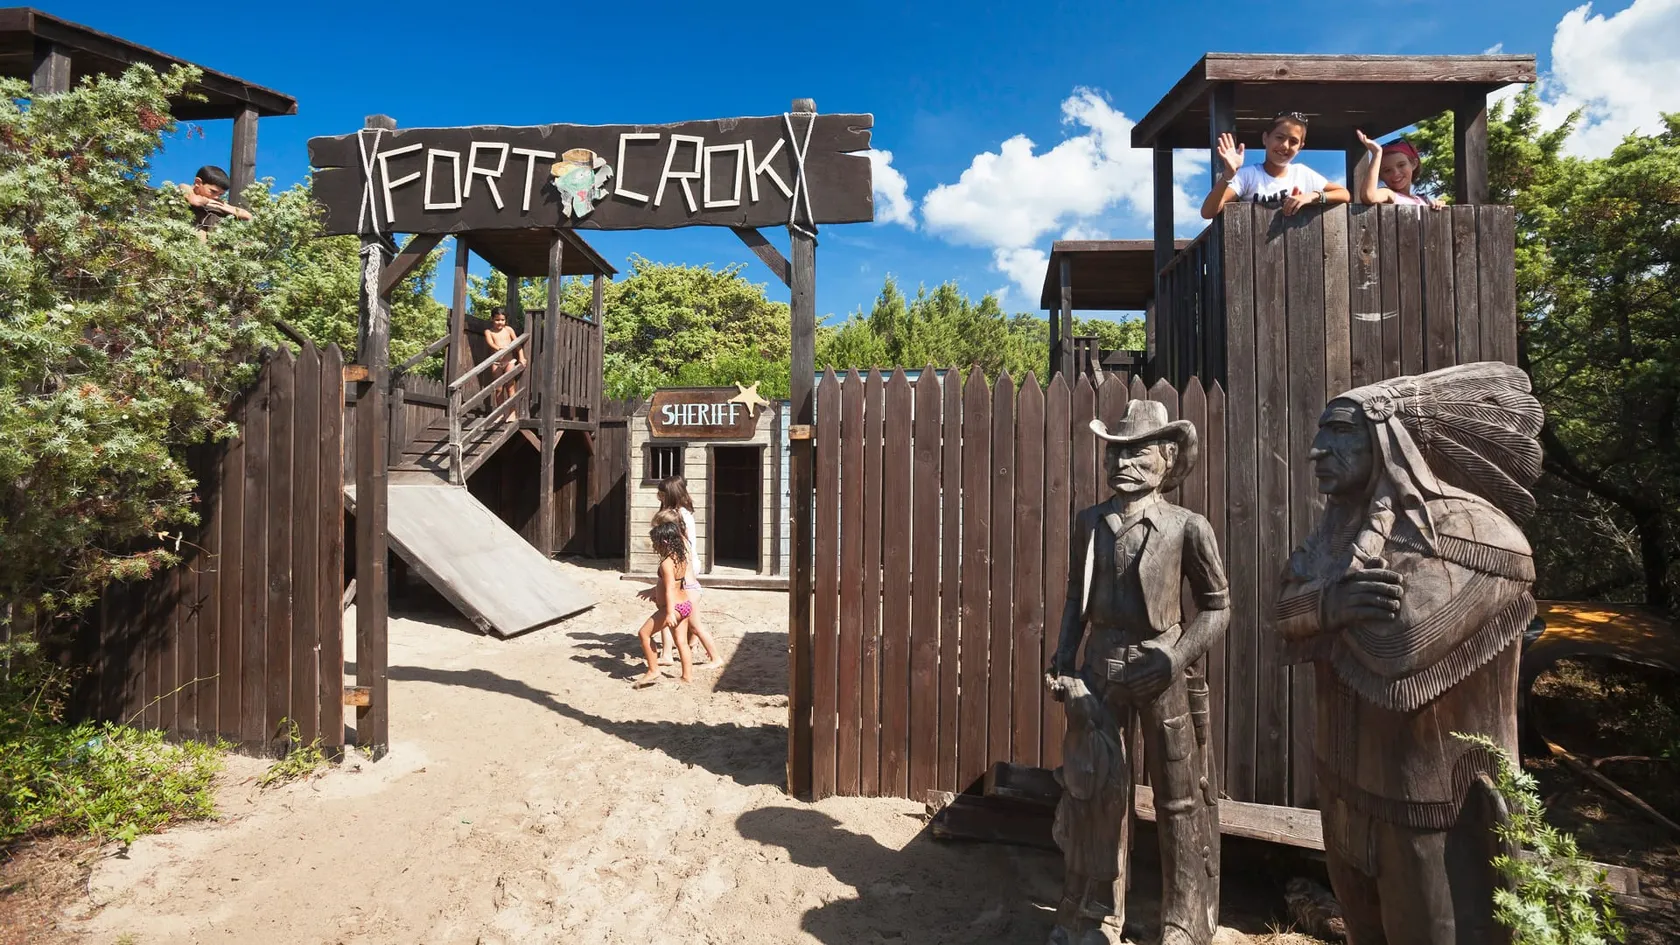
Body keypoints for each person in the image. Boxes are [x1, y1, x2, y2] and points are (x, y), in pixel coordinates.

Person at [1275, 363, 1543, 943]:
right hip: (1345, 779)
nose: (1317, 450)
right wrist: (1331, 607)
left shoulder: (1477, 532)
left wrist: (1320, 609)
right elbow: (1283, 616)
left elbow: (1400, 648)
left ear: (1389, 437)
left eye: (1339, 431)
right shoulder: (1335, 533)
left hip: (1431, 798)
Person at [1045, 399, 1230, 945]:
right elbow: (1076, 600)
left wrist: (1175, 657)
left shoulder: (1187, 527)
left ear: (1168, 457)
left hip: (1161, 673)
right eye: (1115, 452)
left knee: (1179, 798)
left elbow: (1218, 607)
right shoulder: (1090, 523)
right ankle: (1096, 911)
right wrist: (1063, 659)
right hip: (1100, 671)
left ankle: (1184, 919)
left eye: (1137, 452)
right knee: (1097, 792)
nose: (1122, 462)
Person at [1201, 112, 1351, 220]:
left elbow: (1344, 194)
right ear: (1265, 138)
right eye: (1279, 137)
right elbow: (1207, 212)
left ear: (1300, 147)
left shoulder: (1302, 173)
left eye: (1293, 141)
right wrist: (1228, 175)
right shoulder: (1248, 176)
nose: (1285, 145)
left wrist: (1313, 196)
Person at [644, 476, 718, 667]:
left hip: (686, 570)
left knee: (680, 614)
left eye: (661, 493)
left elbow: (687, 549)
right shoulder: (674, 514)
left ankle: (706, 653)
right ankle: (669, 653)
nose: (658, 495)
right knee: (669, 609)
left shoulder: (681, 517)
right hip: (683, 568)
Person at [634, 520, 695, 687]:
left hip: (673, 608)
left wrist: (669, 613)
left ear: (665, 542)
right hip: (685, 604)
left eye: (656, 543)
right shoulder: (680, 558)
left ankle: (653, 670)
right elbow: (674, 584)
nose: (654, 546)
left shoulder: (666, 563)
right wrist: (653, 592)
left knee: (644, 634)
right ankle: (687, 676)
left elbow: (669, 589)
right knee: (681, 642)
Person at [1354, 131, 1446, 208]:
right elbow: (1369, 197)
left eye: (1401, 165)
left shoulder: (1424, 200)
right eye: (1387, 170)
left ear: (1414, 164)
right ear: (1380, 175)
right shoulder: (1389, 194)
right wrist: (1377, 153)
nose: (1395, 173)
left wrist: (1438, 204)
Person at [177, 165, 253, 238]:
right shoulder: (185, 187)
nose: (216, 197)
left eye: (220, 194)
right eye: (213, 191)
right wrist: (210, 202)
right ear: (198, 182)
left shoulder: (216, 201)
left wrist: (222, 207)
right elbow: (195, 201)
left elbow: (247, 215)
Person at [483, 307, 527, 422]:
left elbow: (517, 344)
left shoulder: (508, 330)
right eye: (497, 320)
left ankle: (512, 413)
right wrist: (499, 348)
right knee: (498, 389)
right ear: (492, 319)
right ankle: (500, 413)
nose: (500, 322)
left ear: (505, 320)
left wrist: (521, 357)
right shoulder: (489, 332)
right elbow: (490, 343)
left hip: (509, 361)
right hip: (496, 362)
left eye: (502, 320)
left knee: (510, 387)